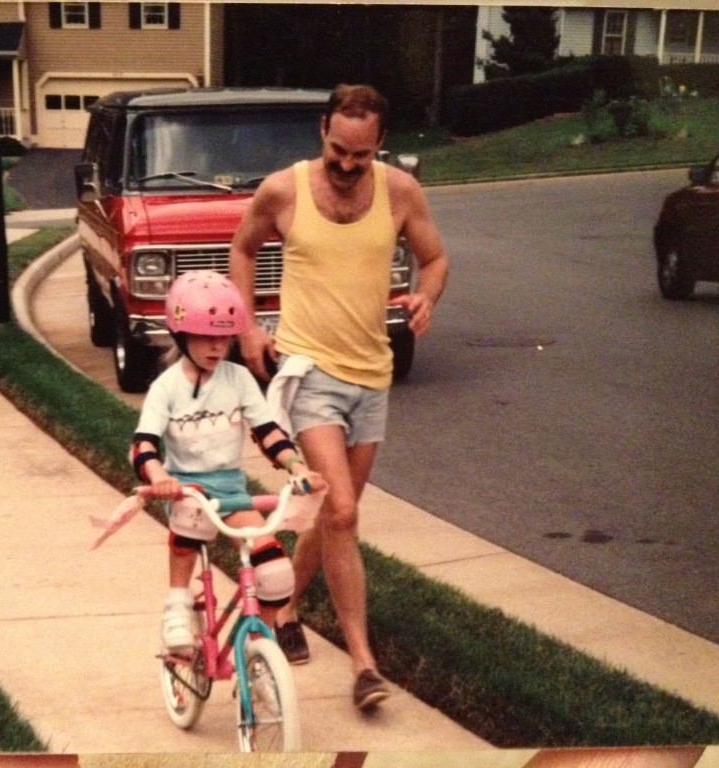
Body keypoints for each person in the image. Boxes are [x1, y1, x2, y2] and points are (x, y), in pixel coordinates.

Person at [229, 83, 450, 710]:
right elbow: (242, 249)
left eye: (361, 155)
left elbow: (434, 259)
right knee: (345, 511)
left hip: (371, 376)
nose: (348, 167)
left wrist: (428, 293)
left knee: (329, 517)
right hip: (307, 371)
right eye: (336, 151)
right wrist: (247, 323)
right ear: (323, 129)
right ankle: (362, 664)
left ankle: (287, 606)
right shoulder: (283, 189)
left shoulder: (401, 192)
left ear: (380, 144)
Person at [131, 270, 326, 654]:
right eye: (206, 335)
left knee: (275, 574)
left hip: (232, 491)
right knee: (188, 520)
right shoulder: (166, 387)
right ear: (181, 335)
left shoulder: (237, 379)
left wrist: (296, 467)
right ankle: (177, 603)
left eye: (224, 336)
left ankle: (257, 645)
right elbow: (143, 444)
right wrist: (159, 476)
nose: (216, 346)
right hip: (189, 488)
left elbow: (267, 430)